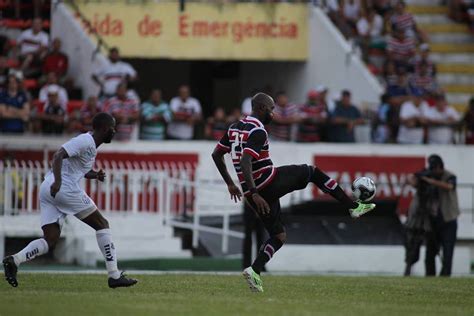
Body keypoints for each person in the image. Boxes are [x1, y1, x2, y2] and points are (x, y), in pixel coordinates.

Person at [211, 92, 375, 292]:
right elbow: (246, 161)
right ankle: (353, 207)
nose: (273, 113)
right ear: (261, 108)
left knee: (278, 236)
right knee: (312, 171)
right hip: (266, 184)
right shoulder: (258, 131)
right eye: (271, 109)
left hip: (252, 193)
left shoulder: (234, 127)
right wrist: (255, 191)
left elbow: (217, 154)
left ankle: (254, 271)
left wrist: (231, 183)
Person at [2, 112, 138, 288]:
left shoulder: (91, 146)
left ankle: (15, 260)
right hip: (62, 187)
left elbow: (76, 169)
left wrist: (94, 175)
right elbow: (58, 155)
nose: (115, 131)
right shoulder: (85, 141)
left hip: (49, 188)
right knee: (102, 224)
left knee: (50, 239)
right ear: (104, 129)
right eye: (113, 128)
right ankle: (114, 275)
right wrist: (59, 182)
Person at [405, 155, 459, 277]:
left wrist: (431, 181)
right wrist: (416, 179)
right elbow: (412, 181)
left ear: (440, 167)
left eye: (435, 168)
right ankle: (430, 277)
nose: (433, 171)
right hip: (431, 221)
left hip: (448, 221)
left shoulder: (449, 176)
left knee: (448, 252)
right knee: (430, 253)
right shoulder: (428, 175)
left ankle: (445, 277)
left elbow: (450, 186)